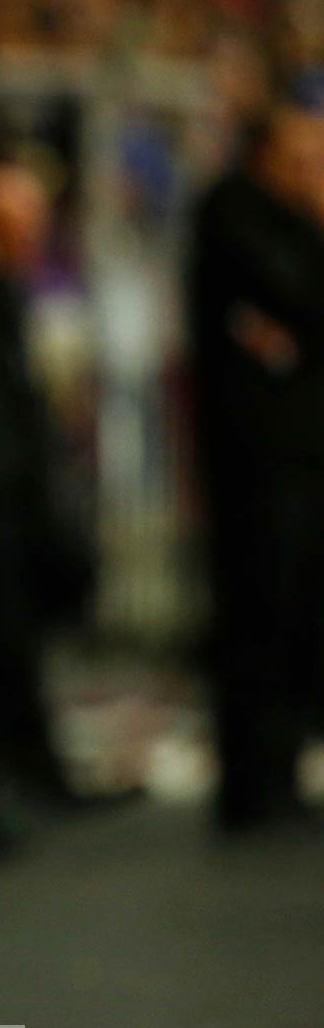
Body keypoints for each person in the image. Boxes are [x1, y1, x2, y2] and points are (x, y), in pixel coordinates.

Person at [188, 97, 324, 837]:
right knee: (256, 608)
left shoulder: (283, 219)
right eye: (302, 150)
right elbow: (300, 301)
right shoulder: (233, 213)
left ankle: (280, 766)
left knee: (296, 610)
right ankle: (248, 779)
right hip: (255, 458)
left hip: (300, 451)